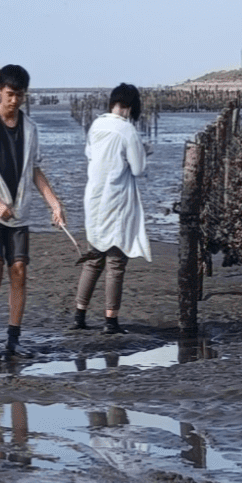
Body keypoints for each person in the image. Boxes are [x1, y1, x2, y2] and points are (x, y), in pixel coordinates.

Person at [0, 64, 68, 361]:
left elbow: (35, 170)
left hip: (19, 212)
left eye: (20, 96)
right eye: (10, 94)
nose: (14, 101)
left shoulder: (31, 128)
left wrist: (54, 203)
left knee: (19, 272)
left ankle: (14, 338)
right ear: (0, 91)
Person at [74, 83, 154, 334]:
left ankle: (79, 315)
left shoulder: (97, 125)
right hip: (117, 199)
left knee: (93, 258)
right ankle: (111, 320)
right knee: (116, 262)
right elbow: (138, 169)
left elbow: (90, 154)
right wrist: (145, 152)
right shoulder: (127, 130)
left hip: (94, 197)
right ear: (130, 107)